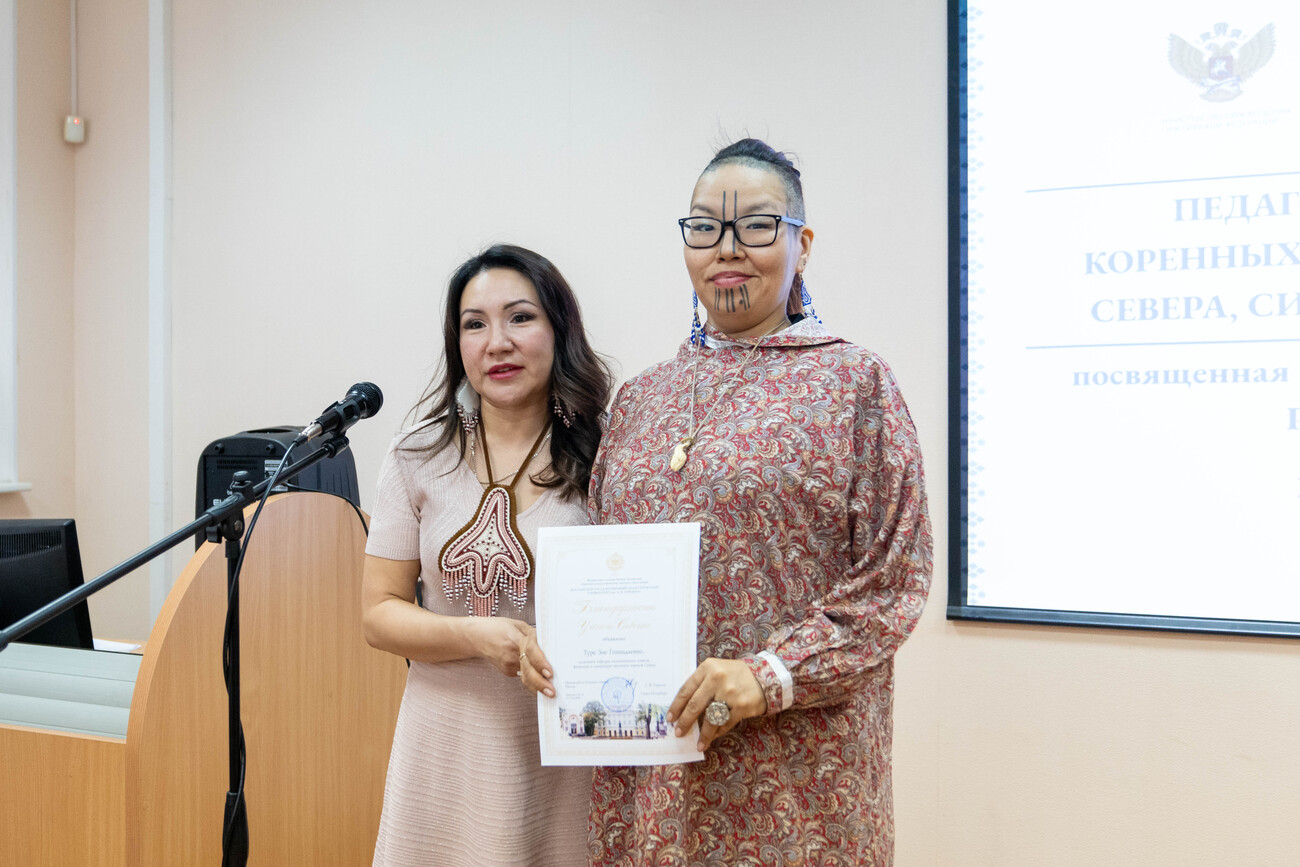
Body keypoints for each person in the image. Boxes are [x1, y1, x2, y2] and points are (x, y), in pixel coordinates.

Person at [524, 139, 933, 865]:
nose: (728, 247)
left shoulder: (856, 385)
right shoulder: (641, 399)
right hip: (648, 775)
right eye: (706, 226)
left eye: (757, 225)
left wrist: (767, 675)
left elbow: (893, 584)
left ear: (803, 245)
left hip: (797, 780)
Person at [361, 244, 613, 867]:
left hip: (563, 752)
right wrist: (475, 637)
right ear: (458, 345)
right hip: (440, 748)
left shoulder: (609, 454)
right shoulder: (417, 453)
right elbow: (379, 614)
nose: (497, 343)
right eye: (475, 324)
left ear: (559, 329)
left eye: (520, 318)